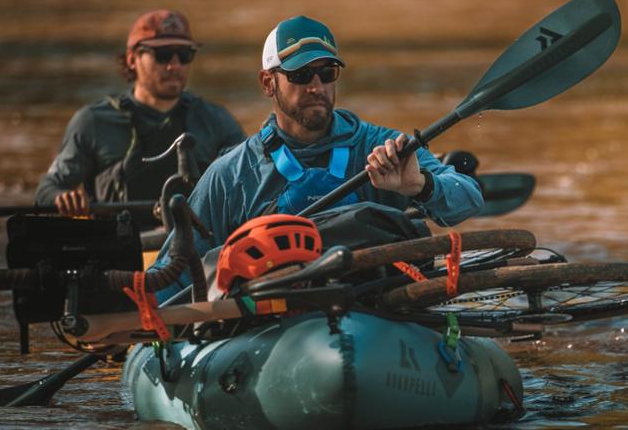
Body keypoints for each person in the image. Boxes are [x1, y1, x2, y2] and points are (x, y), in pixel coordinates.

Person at [172, 14, 483, 260]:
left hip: (375, 309)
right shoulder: (231, 175)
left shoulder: (384, 148)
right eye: (301, 75)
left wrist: (421, 186)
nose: (316, 86)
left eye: (327, 72)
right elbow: (176, 267)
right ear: (268, 83)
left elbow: (469, 198)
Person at [35, 9, 245, 218]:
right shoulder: (92, 121)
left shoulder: (216, 120)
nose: (174, 66)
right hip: (121, 244)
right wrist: (62, 198)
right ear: (131, 59)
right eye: (162, 55)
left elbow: (248, 177)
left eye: (184, 55)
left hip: (196, 244)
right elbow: (48, 190)